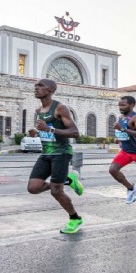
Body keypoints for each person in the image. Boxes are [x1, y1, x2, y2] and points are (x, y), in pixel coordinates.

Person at [27, 79, 85, 234]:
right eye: (36, 86)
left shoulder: (60, 108)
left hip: (61, 153)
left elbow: (75, 133)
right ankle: (68, 180)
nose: (36, 88)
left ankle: (75, 218)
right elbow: (45, 130)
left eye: (40, 86)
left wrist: (49, 130)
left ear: (50, 90)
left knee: (56, 191)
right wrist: (39, 131)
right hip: (46, 153)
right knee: (33, 188)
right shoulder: (39, 111)